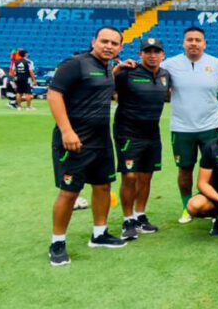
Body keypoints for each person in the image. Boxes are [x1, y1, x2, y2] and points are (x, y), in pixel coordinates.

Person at [47, 27, 125, 266]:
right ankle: (57, 242)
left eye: (114, 43)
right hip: (75, 140)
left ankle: (99, 234)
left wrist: (120, 69)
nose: (108, 46)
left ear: (120, 48)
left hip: (101, 140)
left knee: (103, 186)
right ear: (94, 41)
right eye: (104, 41)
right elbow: (54, 95)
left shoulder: (108, 68)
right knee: (69, 192)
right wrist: (66, 131)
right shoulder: (76, 64)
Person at [160, 26, 218, 224]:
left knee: (216, 168)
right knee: (185, 169)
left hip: (210, 126)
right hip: (181, 128)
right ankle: (186, 207)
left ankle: (215, 206)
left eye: (198, 40)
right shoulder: (170, 64)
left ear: (205, 43)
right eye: (189, 39)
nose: (193, 43)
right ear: (183, 43)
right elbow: (154, 79)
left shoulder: (216, 64)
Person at [112, 37, 171, 240]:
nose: (152, 55)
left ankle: (140, 215)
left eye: (156, 52)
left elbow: (168, 96)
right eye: (148, 51)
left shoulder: (165, 75)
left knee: (146, 176)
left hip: (152, 133)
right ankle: (128, 219)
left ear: (163, 55)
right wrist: (115, 70)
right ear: (140, 54)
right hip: (128, 132)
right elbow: (106, 88)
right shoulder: (128, 73)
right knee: (129, 176)